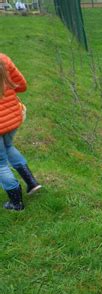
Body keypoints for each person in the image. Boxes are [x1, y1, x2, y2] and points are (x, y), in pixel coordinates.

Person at [0, 53, 42, 211]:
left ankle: (16, 202)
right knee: (8, 147)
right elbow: (22, 86)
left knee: (0, 163)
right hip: (12, 118)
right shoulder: (3, 59)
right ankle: (32, 182)